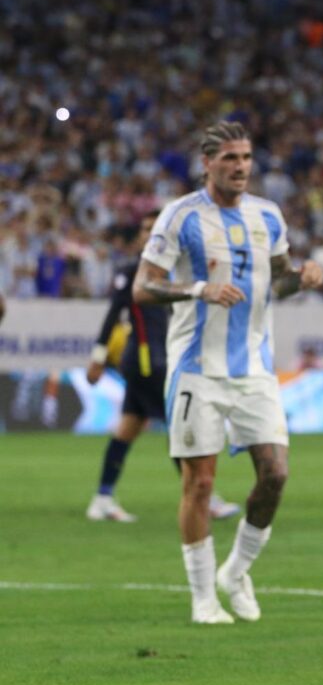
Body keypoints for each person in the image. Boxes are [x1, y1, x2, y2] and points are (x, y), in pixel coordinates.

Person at [133, 121, 323, 624]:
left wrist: (301, 278)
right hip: (197, 369)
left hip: (255, 369)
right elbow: (143, 288)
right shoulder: (180, 217)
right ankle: (201, 598)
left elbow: (278, 282)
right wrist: (200, 289)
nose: (240, 167)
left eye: (246, 158)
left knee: (276, 474)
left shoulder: (268, 215)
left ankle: (236, 570)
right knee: (199, 484)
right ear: (208, 164)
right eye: (230, 159)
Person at [85, 212, 240, 523]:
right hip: (144, 361)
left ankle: (102, 497)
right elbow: (113, 314)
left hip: (158, 358)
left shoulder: (172, 274)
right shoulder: (132, 273)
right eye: (144, 228)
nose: (148, 234)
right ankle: (202, 496)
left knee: (128, 429)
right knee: (181, 428)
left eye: (153, 228)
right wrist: (98, 357)